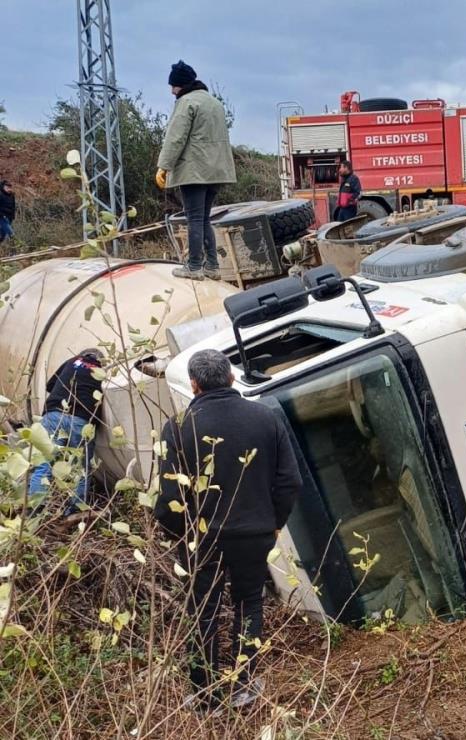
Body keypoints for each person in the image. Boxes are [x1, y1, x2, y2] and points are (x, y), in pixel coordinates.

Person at [154, 349, 301, 711]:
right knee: (248, 603)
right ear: (232, 378)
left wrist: (185, 534)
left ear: (193, 384)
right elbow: (290, 482)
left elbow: (168, 498)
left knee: (202, 610)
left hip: (201, 539)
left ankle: (205, 696)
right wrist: (272, 524)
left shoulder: (177, 427)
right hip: (254, 533)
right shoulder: (266, 418)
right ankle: (242, 686)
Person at [156, 60, 236, 281]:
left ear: (180, 85)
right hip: (217, 171)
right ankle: (212, 265)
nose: (172, 90)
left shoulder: (186, 102)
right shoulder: (214, 103)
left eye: (173, 86)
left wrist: (164, 166)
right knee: (203, 219)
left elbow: (176, 137)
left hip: (194, 171)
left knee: (194, 218)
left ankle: (193, 267)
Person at [28, 349, 104, 513]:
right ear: (100, 360)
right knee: (81, 468)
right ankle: (75, 510)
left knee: (45, 462)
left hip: (55, 413)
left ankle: (35, 509)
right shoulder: (102, 371)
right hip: (81, 420)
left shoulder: (72, 361)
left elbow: (50, 386)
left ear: (83, 354)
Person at [0, 180, 16, 244]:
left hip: (9, 217)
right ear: (3, 187)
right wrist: (2, 215)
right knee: (11, 234)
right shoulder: (0, 194)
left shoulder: (12, 195)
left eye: (10, 187)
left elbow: (13, 206)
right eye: (7, 187)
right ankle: (17, 247)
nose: (9, 188)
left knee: (2, 236)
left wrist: (13, 216)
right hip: (2, 217)